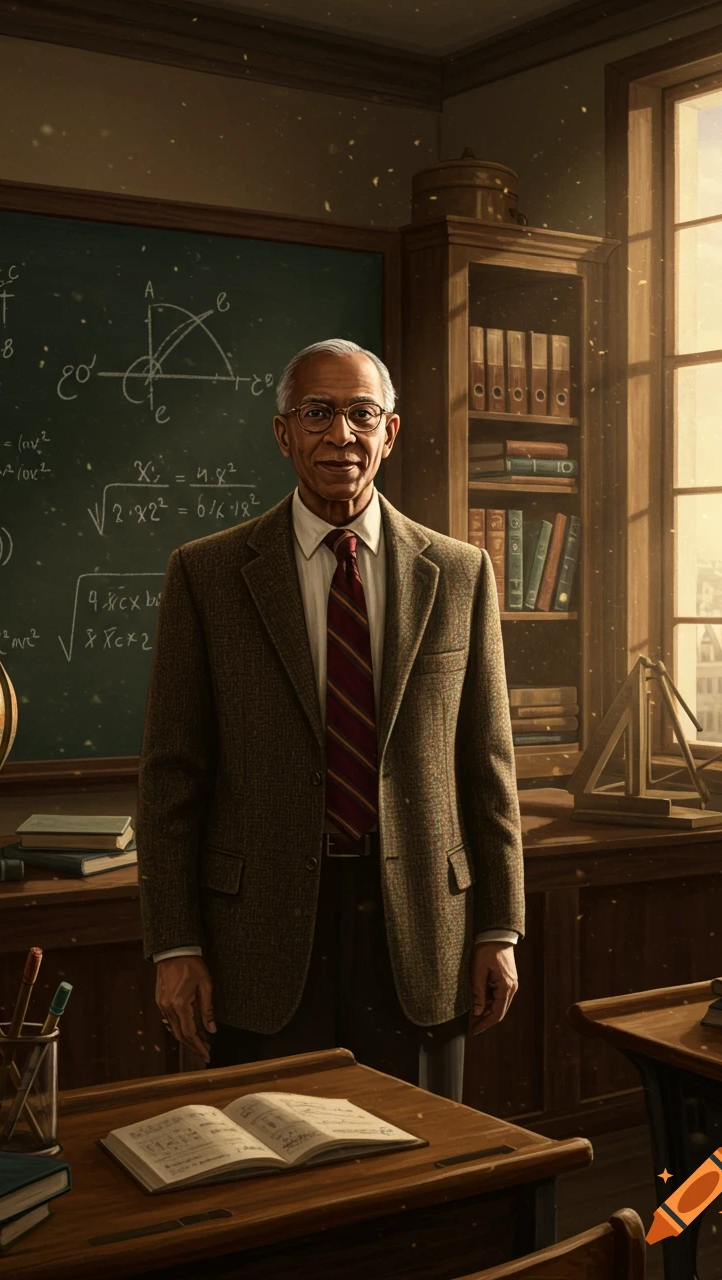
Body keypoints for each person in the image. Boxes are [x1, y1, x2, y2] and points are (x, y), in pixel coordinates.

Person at [136, 338, 524, 1102]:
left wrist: (499, 928)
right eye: (317, 413)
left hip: (425, 931)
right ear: (284, 433)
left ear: (390, 432)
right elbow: (170, 779)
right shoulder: (206, 575)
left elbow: (488, 766)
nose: (341, 435)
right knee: (270, 1149)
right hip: (259, 938)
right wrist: (174, 944)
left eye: (361, 414)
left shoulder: (459, 573)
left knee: (422, 1150)